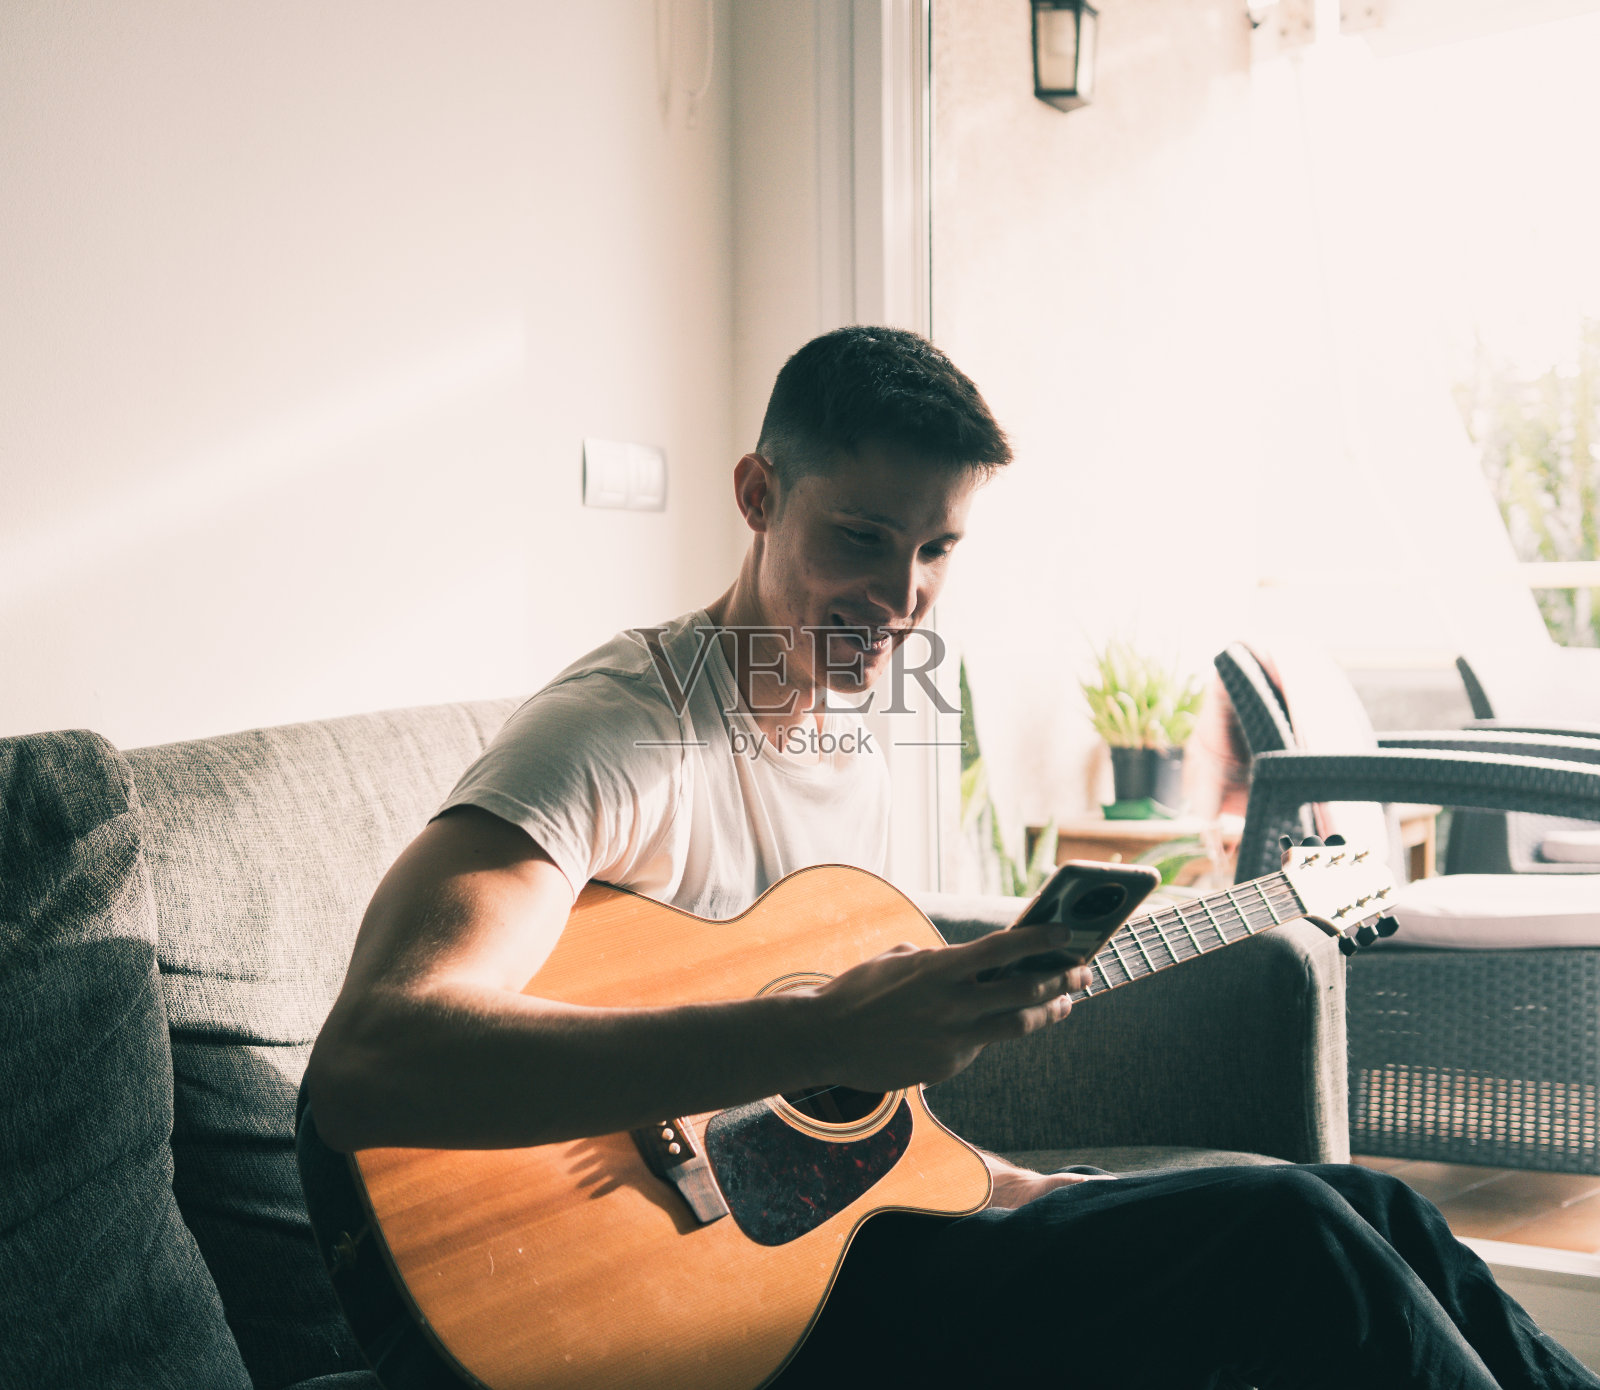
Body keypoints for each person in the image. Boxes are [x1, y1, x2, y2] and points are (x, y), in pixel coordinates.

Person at [304, 327, 1598, 1390]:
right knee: (1289, 1240)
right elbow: (373, 1061)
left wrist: (997, 1178)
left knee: (1378, 1206)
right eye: (861, 537)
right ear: (758, 494)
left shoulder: (852, 723)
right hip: (659, 1328)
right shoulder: (620, 733)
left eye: (937, 549)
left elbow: (848, 1135)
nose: (902, 596)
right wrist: (815, 1037)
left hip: (818, 1264)